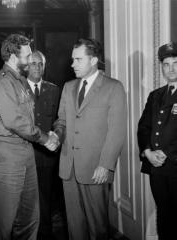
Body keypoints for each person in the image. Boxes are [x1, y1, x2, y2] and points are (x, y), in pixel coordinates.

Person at [0, 34, 58, 240]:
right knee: (4, 224)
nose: (31, 59)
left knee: (29, 219)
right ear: (14, 57)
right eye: (27, 55)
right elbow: (15, 121)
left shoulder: (21, 81)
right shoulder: (2, 83)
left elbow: (28, 119)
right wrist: (44, 138)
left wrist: (45, 135)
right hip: (5, 154)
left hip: (25, 152)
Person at [50, 38, 127, 240]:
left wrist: (105, 165)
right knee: (75, 228)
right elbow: (62, 121)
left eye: (78, 59)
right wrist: (56, 135)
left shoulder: (113, 87)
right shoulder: (68, 87)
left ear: (93, 60)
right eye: (72, 59)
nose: (72, 64)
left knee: (98, 227)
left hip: (95, 169)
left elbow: (117, 131)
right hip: (69, 167)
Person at [137, 42, 177, 240]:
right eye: (166, 64)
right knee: (163, 214)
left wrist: (167, 154)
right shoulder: (155, 96)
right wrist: (148, 152)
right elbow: (144, 128)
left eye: (176, 63)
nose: (171, 69)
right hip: (157, 168)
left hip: (175, 166)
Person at [26, 51, 61, 240]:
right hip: (26, 154)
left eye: (40, 64)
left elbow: (58, 119)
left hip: (47, 156)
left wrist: (56, 134)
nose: (37, 68)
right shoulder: (18, 88)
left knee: (46, 199)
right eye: (33, 64)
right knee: (27, 201)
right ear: (26, 66)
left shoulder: (53, 89)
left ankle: (45, 234)